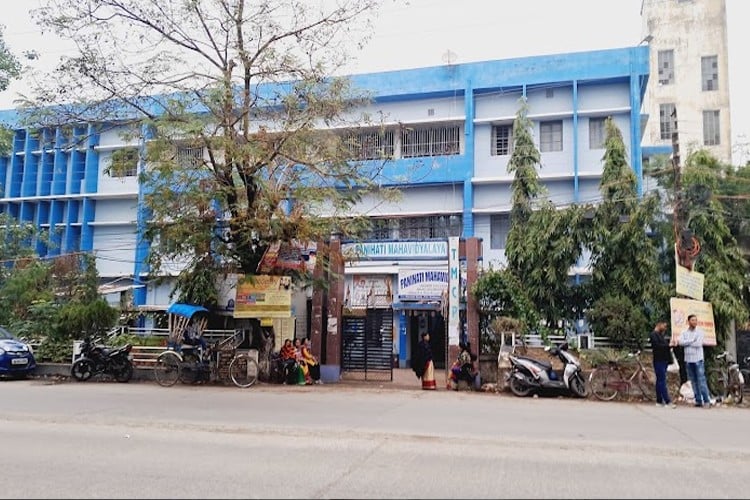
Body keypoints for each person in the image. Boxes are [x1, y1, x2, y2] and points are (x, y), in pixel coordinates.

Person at [678, 314, 713, 408]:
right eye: (692, 320)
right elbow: (680, 342)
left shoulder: (700, 332)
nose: (694, 322)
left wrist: (687, 342)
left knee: (701, 380)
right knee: (693, 381)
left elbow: (698, 344)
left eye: (695, 320)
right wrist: (691, 340)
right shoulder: (684, 332)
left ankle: (706, 400)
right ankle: (698, 400)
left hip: (698, 359)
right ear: (688, 322)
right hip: (688, 359)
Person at [649, 321, 676, 408]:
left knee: (659, 381)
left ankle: (659, 400)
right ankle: (667, 401)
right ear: (658, 325)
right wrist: (668, 346)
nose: (665, 328)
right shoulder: (654, 335)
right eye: (664, 326)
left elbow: (664, 345)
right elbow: (658, 346)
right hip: (659, 360)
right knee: (662, 381)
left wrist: (670, 345)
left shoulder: (661, 335)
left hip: (664, 360)